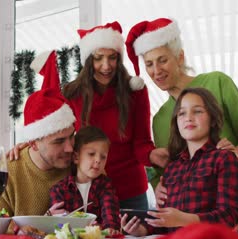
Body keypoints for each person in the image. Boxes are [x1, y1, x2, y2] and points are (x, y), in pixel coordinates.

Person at [125, 18, 238, 239]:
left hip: (236, 217)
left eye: (162, 60)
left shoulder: (218, 83)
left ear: (180, 57)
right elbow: (169, 167)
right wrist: (160, 186)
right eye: (149, 64)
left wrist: (233, 155)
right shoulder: (161, 118)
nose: (156, 71)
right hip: (188, 227)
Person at [62, 21, 168, 210]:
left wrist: (152, 155)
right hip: (89, 190)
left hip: (130, 190)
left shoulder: (135, 91)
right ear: (88, 60)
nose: (106, 66)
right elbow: (57, 135)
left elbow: (141, 142)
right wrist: (26, 146)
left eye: (112, 57)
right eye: (98, 58)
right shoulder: (72, 95)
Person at [121, 88, 238, 236]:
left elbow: (229, 218)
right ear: (176, 122)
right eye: (182, 113)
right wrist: (141, 230)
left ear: (213, 118)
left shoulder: (225, 159)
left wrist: (185, 219)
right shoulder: (172, 168)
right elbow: (167, 224)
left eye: (197, 111)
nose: (188, 118)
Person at [0, 51, 76, 217]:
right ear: (33, 143)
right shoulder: (5, 172)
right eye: (58, 141)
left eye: (72, 136)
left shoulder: (82, 158)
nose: (69, 148)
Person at [49, 126, 121, 234]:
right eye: (91, 154)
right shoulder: (59, 190)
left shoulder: (105, 185)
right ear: (76, 158)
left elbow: (110, 214)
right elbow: (59, 222)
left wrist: (108, 228)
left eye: (103, 157)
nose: (98, 160)